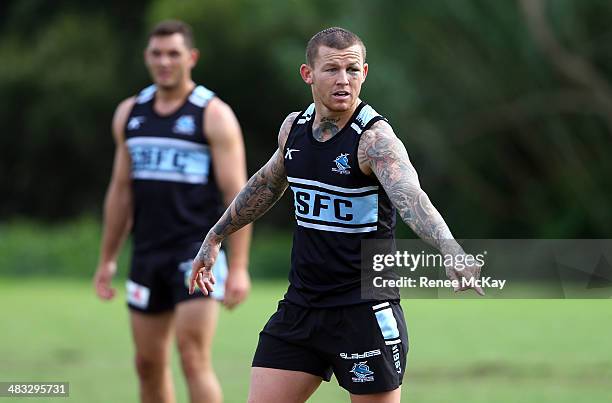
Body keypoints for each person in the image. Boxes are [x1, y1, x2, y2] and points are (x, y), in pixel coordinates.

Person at [189, 27, 482, 403]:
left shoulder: (374, 141)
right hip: (301, 307)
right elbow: (265, 186)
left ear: (364, 73)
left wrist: (449, 247)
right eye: (331, 69)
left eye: (352, 69)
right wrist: (215, 236)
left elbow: (412, 198)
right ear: (308, 74)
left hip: (362, 312)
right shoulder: (293, 129)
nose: (343, 80)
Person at [93, 20, 251, 403]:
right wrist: (108, 258)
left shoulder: (212, 115)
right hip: (147, 253)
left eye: (173, 53)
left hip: (195, 254)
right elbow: (120, 191)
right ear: (147, 57)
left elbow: (240, 196)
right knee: (147, 363)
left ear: (191, 58)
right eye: (157, 54)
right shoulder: (130, 113)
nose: (164, 61)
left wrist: (240, 267)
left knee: (193, 357)